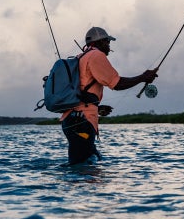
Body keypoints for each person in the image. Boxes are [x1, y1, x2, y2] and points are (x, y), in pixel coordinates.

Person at [61, 26, 158, 165]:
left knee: (89, 159)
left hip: (72, 119)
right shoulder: (96, 56)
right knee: (82, 166)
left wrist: (97, 108)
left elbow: (81, 92)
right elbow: (117, 84)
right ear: (100, 42)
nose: (109, 45)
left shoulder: (81, 57)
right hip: (80, 122)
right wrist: (143, 77)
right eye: (107, 42)